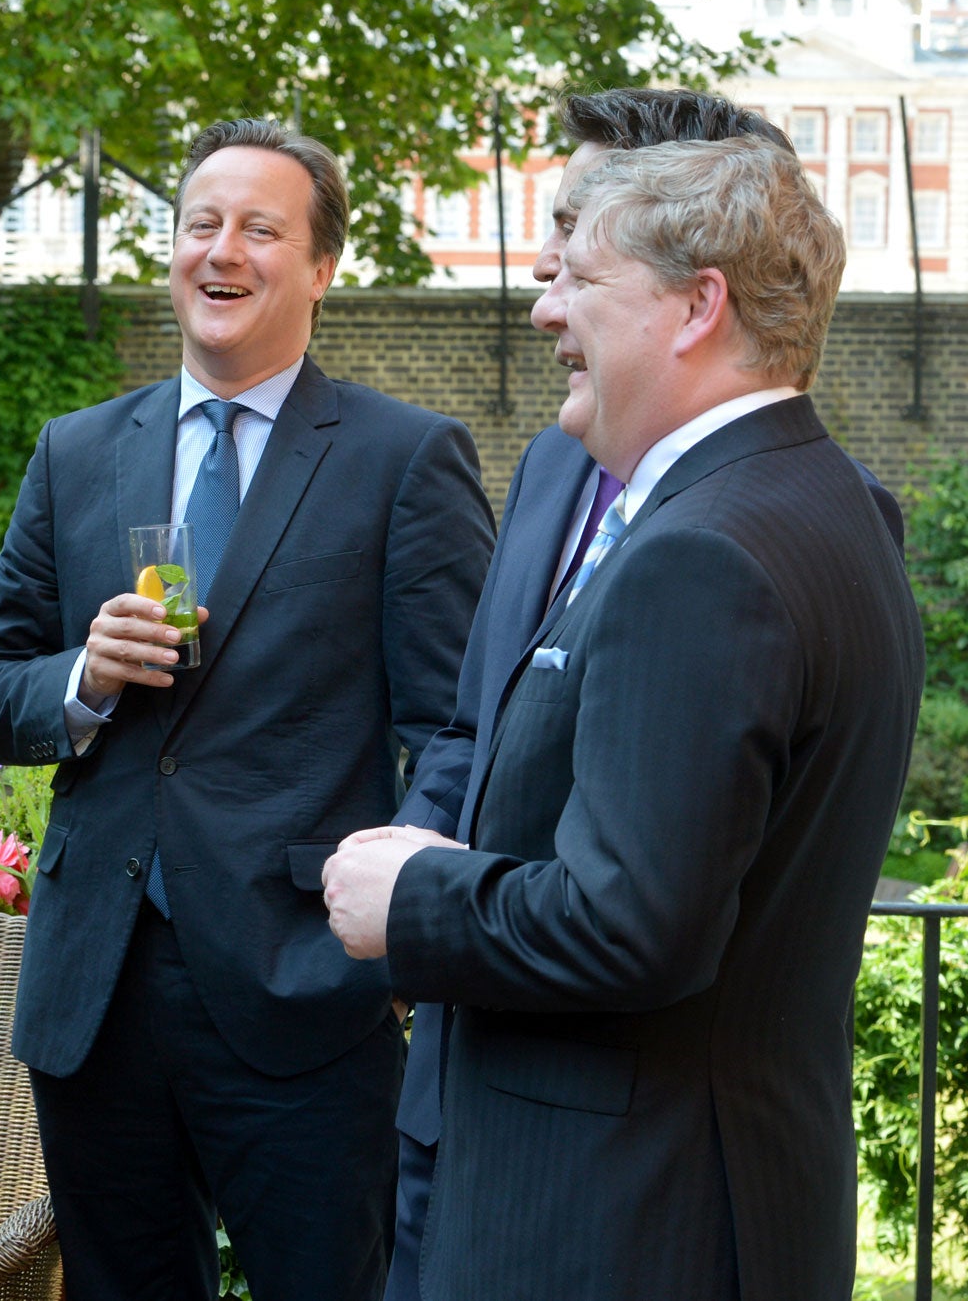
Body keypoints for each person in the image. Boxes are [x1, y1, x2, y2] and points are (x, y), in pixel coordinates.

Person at [324, 136, 923, 1300]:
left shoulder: (697, 552)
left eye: (580, 278)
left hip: (616, 1220)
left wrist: (414, 898)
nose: (544, 307)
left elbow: (629, 925)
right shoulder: (826, 505)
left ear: (697, 305)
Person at [0, 118, 494, 1301]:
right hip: (95, 996)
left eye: (260, 227)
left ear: (320, 267)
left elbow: (459, 723)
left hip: (303, 984)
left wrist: (399, 893)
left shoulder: (402, 460)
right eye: (201, 222)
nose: (222, 249)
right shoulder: (77, 451)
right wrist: (80, 681)